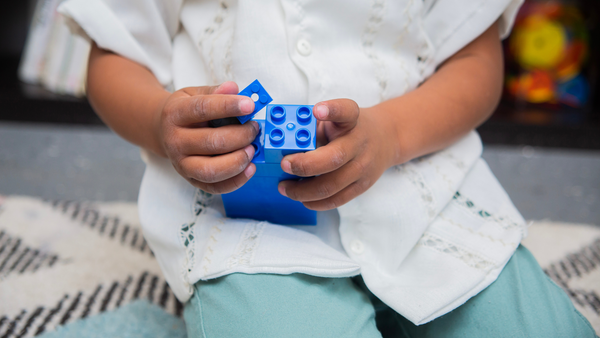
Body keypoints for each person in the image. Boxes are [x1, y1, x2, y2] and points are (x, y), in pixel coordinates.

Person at [59, 0, 597, 336]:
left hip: (425, 192)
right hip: (246, 221)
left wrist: (393, 134)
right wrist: (159, 121)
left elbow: (474, 61)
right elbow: (115, 47)